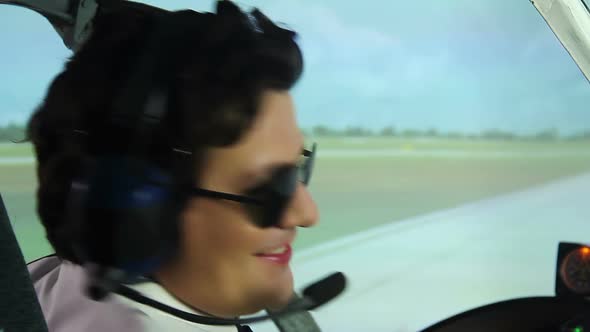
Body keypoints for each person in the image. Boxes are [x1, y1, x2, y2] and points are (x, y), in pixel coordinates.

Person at [25, 1, 320, 331]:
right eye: (269, 188)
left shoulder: (33, 292)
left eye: (297, 170)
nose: (308, 214)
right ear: (137, 213)